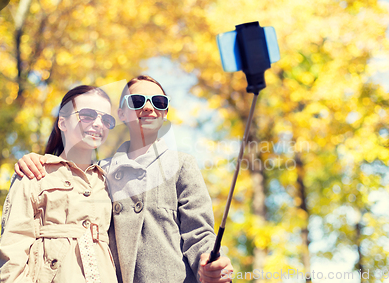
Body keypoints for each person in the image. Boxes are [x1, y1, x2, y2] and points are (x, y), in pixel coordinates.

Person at [15, 75, 234, 283]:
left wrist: (209, 263)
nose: (148, 107)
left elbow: (199, 233)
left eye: (158, 102)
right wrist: (38, 161)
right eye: (137, 101)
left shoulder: (181, 165)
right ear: (121, 114)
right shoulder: (98, 173)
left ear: (165, 112)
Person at [0, 85, 118, 283]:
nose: (98, 123)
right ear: (63, 122)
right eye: (87, 115)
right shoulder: (35, 173)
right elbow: (14, 247)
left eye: (106, 119)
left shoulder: (109, 181)